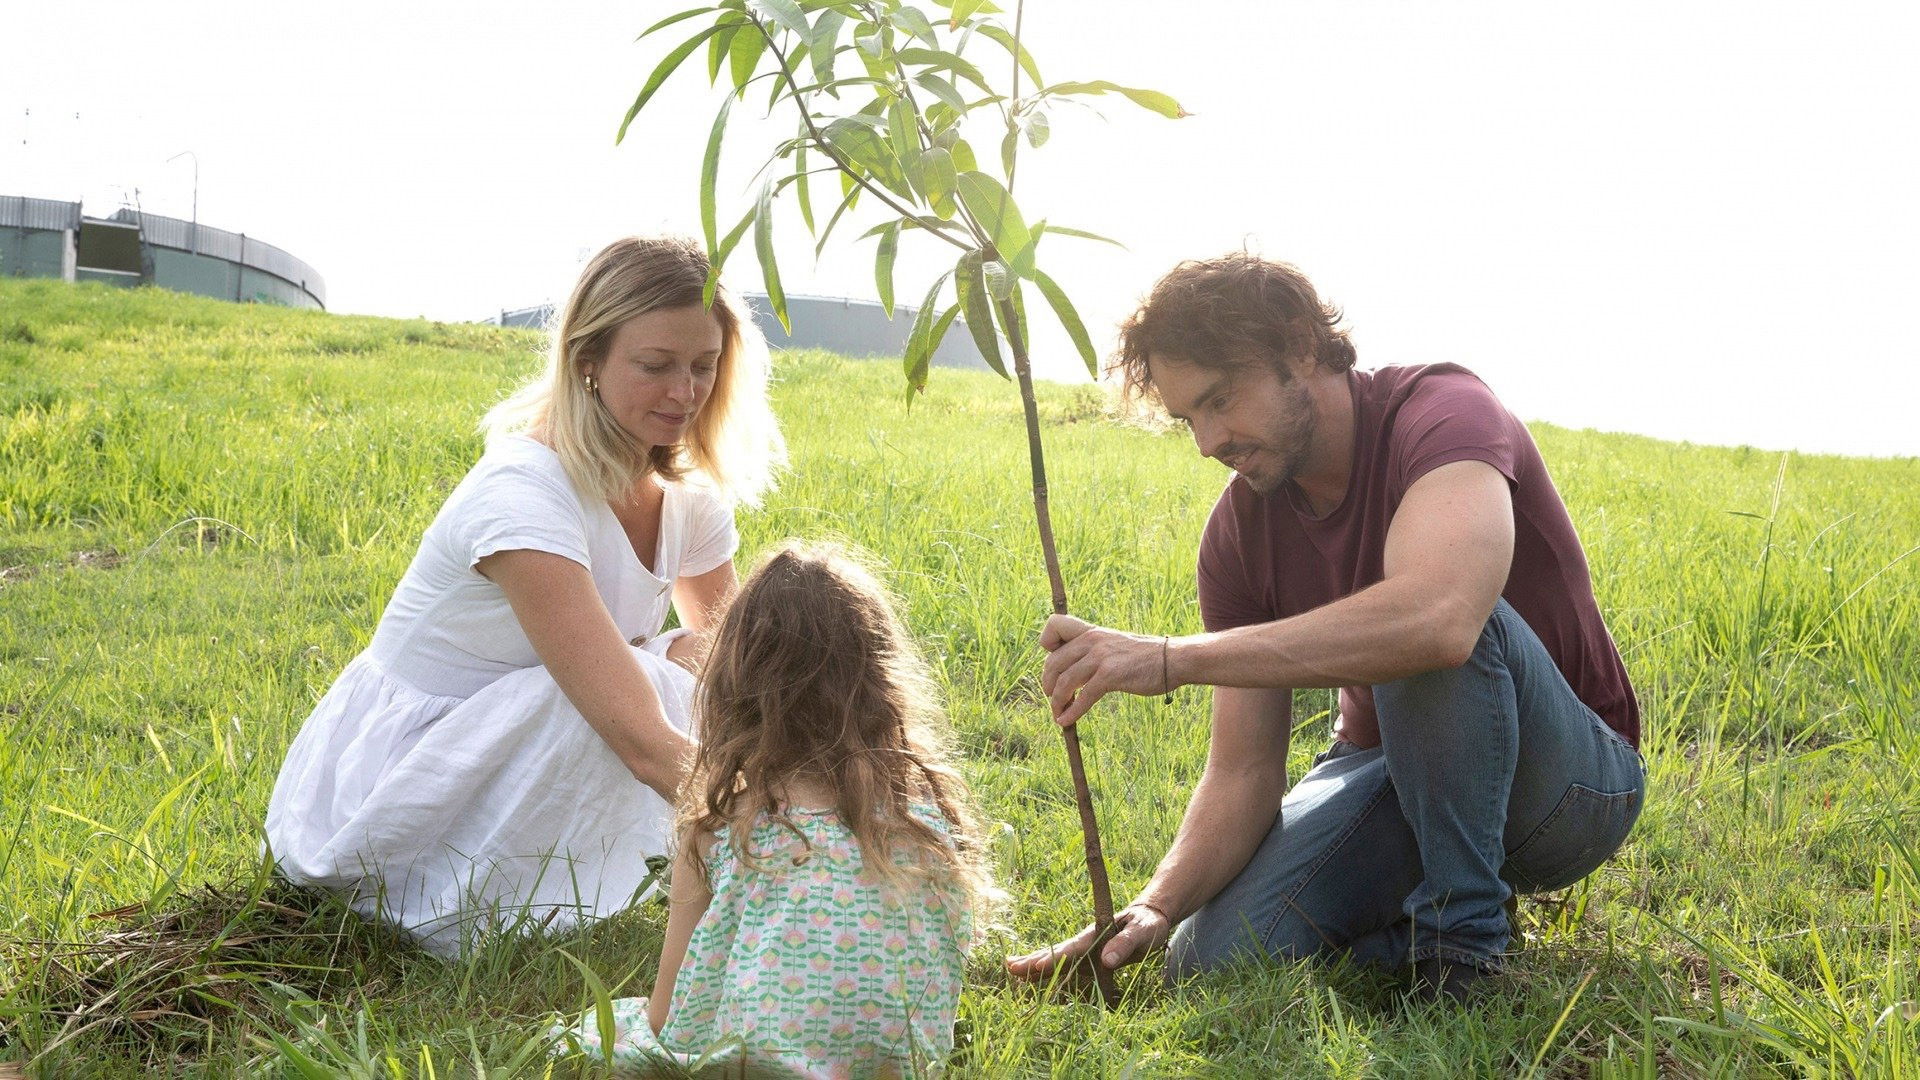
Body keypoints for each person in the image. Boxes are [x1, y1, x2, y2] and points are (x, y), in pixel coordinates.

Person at [1004, 254, 1646, 1000]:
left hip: (1568, 787)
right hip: (1388, 774)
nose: (1207, 442)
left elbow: (1441, 622)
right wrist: (1157, 904)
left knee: (1418, 631)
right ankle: (1422, 918)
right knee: (1207, 958)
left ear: (1301, 344)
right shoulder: (1239, 534)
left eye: (1220, 400)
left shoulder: (1443, 413)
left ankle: (1461, 950)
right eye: (1189, 419)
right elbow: (1244, 770)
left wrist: (1174, 659)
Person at [265, 236, 784, 953]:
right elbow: (639, 740)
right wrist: (790, 839)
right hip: (401, 784)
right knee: (619, 692)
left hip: (522, 735)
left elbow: (741, 678)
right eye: (655, 365)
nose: (684, 392)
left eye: (704, 365)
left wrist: (848, 792)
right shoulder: (522, 494)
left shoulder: (685, 499)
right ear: (587, 360)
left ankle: (701, 861)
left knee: (706, 659)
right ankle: (478, 897)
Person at [556, 541, 996, 1077]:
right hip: (897, 1070)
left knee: (605, 1034)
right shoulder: (924, 820)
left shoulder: (723, 826)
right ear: (880, 684)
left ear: (735, 684)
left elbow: (668, 1015)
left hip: (749, 1068)